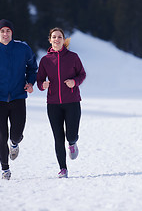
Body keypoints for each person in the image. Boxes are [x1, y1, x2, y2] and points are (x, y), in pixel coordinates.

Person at [0, 19, 38, 180]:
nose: (5, 34)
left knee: (16, 135)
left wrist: (30, 82)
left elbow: (32, 68)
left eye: (8, 31)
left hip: (18, 97)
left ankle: (15, 144)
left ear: (12, 32)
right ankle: (5, 170)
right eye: (2, 31)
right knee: (2, 135)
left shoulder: (23, 49)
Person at [37, 27, 86, 178]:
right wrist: (42, 85)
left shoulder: (73, 57)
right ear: (50, 40)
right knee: (58, 137)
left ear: (64, 40)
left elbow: (82, 74)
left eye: (59, 37)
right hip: (53, 104)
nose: (57, 39)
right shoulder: (45, 60)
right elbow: (39, 80)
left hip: (72, 102)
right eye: (54, 37)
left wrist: (74, 81)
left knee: (70, 135)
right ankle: (63, 168)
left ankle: (72, 143)